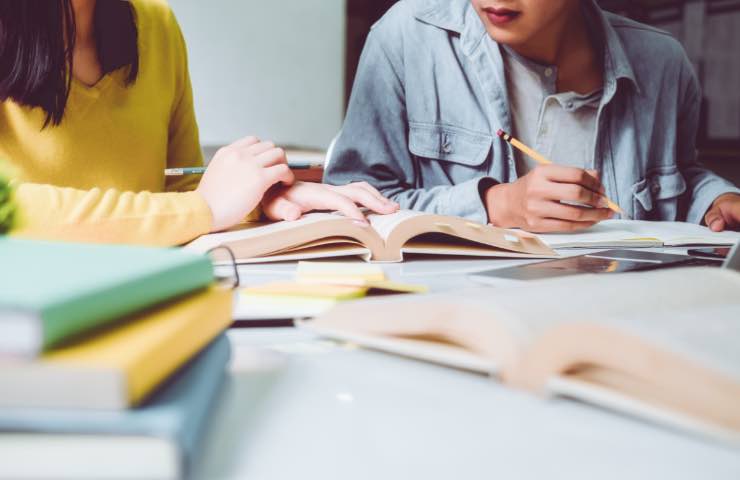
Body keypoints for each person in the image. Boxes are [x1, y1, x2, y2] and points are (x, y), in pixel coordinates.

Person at [0, 0, 398, 246]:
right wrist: (203, 208)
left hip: (143, 302)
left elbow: (184, 191)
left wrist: (261, 201)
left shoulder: (155, 23)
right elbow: (9, 213)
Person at [324, 0, 740, 233]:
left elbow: (680, 176)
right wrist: (495, 205)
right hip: (465, 323)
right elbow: (345, 206)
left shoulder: (663, 62)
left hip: (621, 324)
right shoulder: (406, 38)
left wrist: (713, 201)